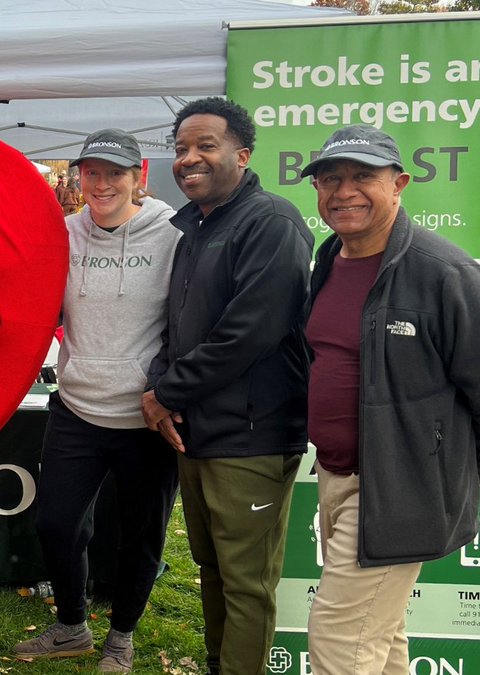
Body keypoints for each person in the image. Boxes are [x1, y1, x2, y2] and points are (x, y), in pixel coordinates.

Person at [300, 125, 480, 674]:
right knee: (380, 634)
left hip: (398, 486)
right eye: (330, 179)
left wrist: (443, 468)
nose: (343, 191)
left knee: (340, 641)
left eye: (363, 177)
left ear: (399, 184)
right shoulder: (330, 260)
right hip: (336, 476)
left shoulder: (445, 273)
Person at [142, 97, 313, 675]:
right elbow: (177, 324)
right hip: (197, 430)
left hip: (252, 435)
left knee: (245, 581)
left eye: (204, 146)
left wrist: (166, 394)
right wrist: (160, 386)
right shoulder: (194, 227)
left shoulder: (272, 223)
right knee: (211, 568)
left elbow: (247, 334)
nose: (188, 158)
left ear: (241, 154)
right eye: (181, 148)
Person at [12, 129, 180, 673]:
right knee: (56, 523)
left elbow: (193, 321)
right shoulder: (63, 234)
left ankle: (121, 637)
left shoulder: (174, 235)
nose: (101, 184)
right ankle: (72, 626)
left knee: (140, 536)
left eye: (114, 173)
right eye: (91, 173)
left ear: (139, 178)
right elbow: (27, 303)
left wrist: (171, 389)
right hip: (78, 408)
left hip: (145, 418)